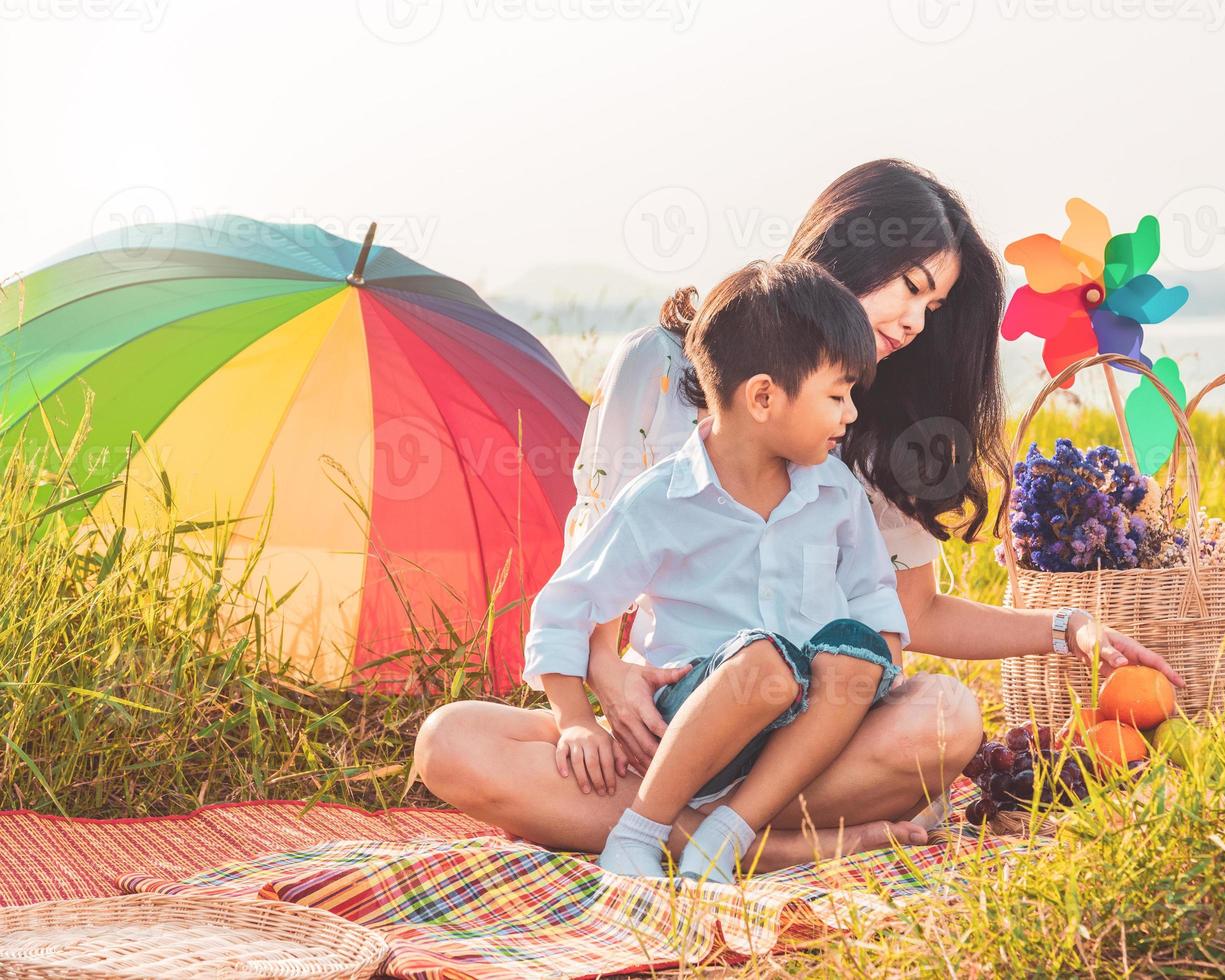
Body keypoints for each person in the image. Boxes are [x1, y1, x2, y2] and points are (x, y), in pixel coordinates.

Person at [414, 159, 1182, 868]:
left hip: (806, 737)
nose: (917, 321)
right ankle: (767, 842)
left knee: (944, 718)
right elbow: (594, 557)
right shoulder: (664, 363)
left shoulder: (874, 434)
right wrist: (608, 679)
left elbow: (908, 616)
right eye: (910, 285)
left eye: (935, 306)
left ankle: (681, 829)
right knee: (451, 743)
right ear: (847, 245)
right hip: (665, 717)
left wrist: (1063, 628)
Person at [525, 259, 907, 882]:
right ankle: (638, 833)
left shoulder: (836, 494)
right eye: (837, 397)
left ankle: (723, 837)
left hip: (798, 735)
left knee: (869, 656)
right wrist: (574, 720)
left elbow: (872, 596)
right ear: (763, 397)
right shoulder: (660, 500)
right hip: (685, 725)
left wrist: (869, 687)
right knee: (768, 663)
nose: (851, 416)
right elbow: (566, 604)